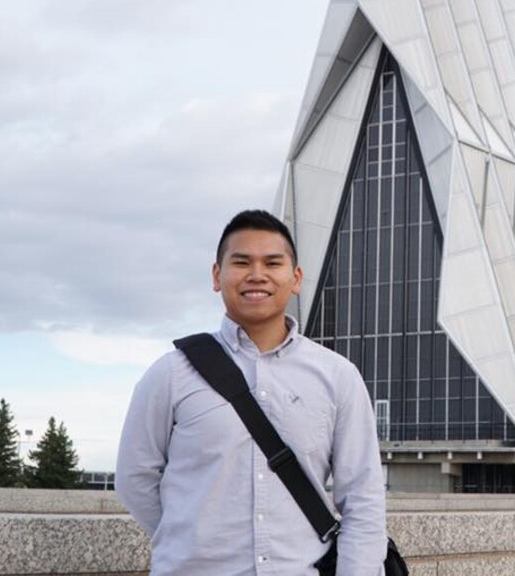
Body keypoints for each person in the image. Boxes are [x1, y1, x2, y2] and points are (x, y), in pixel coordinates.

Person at [116, 209, 387, 575]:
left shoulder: (338, 377)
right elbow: (134, 477)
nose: (257, 274)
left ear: (295, 278)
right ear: (217, 276)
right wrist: (187, 540)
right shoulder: (171, 374)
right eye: (242, 262)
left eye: (272, 263)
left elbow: (363, 499)